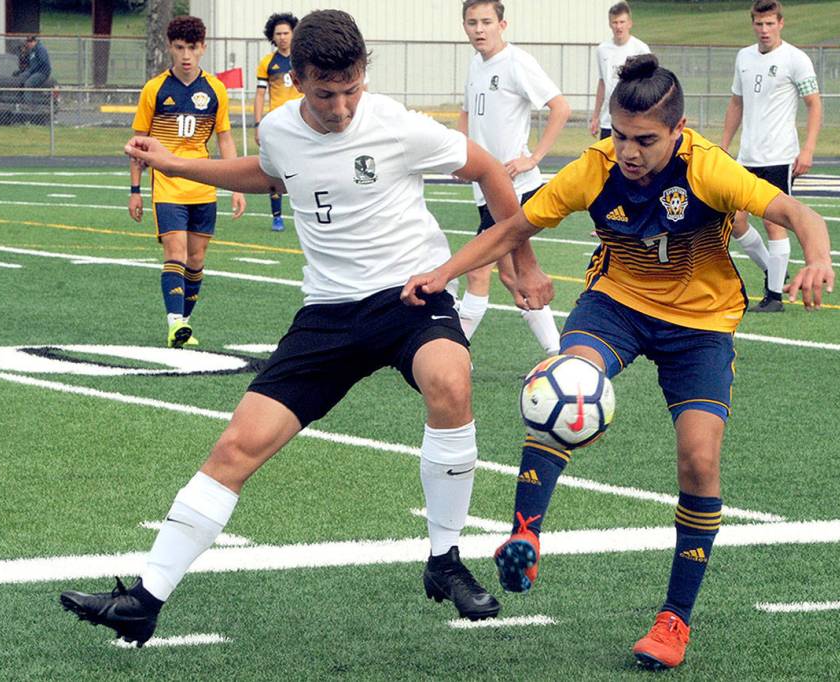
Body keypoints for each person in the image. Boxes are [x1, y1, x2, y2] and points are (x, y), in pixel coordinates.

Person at [59, 9, 550, 647]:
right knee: (236, 448)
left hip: (408, 296)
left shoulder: (396, 125)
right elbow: (268, 171)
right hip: (326, 315)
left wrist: (522, 260)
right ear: (297, 79)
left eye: (351, 89)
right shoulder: (279, 128)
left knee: (451, 381)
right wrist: (177, 164)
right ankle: (145, 601)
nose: (342, 106)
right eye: (325, 93)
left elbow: (487, 169)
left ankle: (444, 560)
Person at [403, 54, 834, 670]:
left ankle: (674, 621)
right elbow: (514, 226)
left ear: (678, 132)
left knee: (700, 460)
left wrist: (815, 258)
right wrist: (443, 272)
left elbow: (797, 214)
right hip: (618, 305)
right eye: (619, 135)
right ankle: (526, 529)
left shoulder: (708, 167)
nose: (628, 151)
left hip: (701, 324)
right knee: (563, 382)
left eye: (644, 140)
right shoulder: (595, 167)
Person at [457, 0, 569, 357]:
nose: (479, 29)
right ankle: (558, 355)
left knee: (477, 272)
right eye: (472, 22)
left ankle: (453, 354)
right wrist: (460, 156)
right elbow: (466, 114)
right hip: (484, 188)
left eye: (486, 21)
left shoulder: (516, 62)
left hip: (511, 189)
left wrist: (532, 157)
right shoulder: (476, 64)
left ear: (502, 25)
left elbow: (560, 107)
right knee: (512, 277)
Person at [126, 16, 246, 348]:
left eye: (192, 48)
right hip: (166, 184)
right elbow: (138, 143)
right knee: (175, 250)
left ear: (203, 48)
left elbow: (225, 139)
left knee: (197, 259)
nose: (186, 55)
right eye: (179, 48)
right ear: (170, 48)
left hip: (202, 183)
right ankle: (174, 322)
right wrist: (135, 190)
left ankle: (185, 323)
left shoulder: (215, 89)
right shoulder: (155, 89)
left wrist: (236, 184)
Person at [721, 0, 822, 313]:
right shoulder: (744, 57)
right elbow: (736, 103)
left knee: (773, 222)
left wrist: (807, 150)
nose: (764, 30)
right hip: (747, 156)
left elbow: (814, 105)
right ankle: (772, 270)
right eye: (758, 24)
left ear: (781, 23)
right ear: (752, 24)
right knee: (734, 221)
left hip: (779, 156)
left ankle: (774, 297)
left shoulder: (796, 59)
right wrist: (723, 146)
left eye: (769, 23)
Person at [255, 12, 302, 232]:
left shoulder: (303, 58)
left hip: (302, 122)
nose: (283, 37)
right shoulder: (267, 62)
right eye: (278, 34)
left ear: (294, 34)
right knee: (274, 169)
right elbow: (259, 94)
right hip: (277, 123)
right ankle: (277, 216)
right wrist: (257, 123)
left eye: (286, 33)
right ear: (272, 37)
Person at [589, 2, 649, 140]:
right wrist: (595, 116)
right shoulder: (602, 49)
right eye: (615, 22)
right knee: (606, 160)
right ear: (610, 24)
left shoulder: (641, 49)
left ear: (629, 23)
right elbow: (603, 82)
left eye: (622, 22)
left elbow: (648, 85)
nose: (619, 26)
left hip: (632, 120)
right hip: (608, 121)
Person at [14, 35, 51, 105]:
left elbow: (43, 62)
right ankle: (19, 101)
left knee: (28, 83)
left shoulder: (40, 49)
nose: (29, 44)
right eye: (28, 42)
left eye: (30, 42)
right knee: (21, 77)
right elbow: (28, 63)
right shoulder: (32, 51)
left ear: (35, 41)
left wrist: (32, 70)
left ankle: (28, 105)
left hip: (42, 72)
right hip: (33, 72)